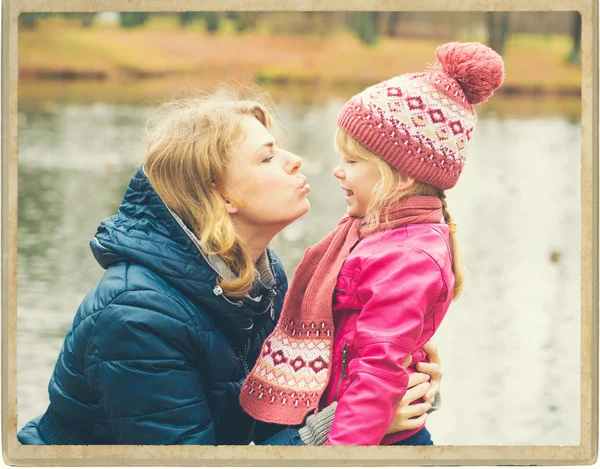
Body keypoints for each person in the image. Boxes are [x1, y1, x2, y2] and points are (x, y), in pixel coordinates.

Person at [17, 93, 442, 445]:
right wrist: (336, 427)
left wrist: (403, 382)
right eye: (266, 158)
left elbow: (275, 407)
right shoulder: (136, 317)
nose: (296, 161)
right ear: (219, 196)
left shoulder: (258, 282)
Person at [240, 42, 505, 446]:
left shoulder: (406, 258)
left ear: (396, 176)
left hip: (373, 441)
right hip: (363, 426)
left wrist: (337, 451)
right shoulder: (375, 235)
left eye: (352, 161)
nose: (337, 171)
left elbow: (379, 370)